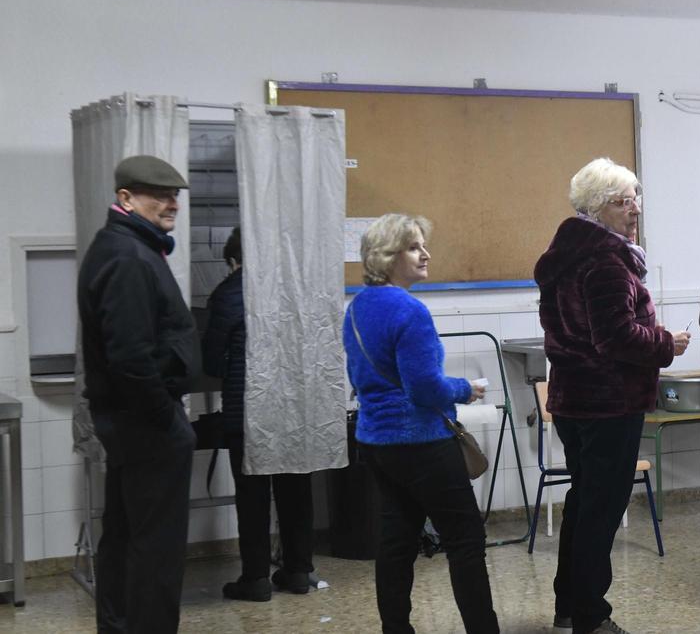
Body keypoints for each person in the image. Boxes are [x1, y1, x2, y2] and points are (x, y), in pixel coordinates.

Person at [535, 157, 689, 634]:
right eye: (624, 201)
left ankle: (568, 606)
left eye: (636, 199)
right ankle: (591, 616)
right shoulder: (605, 262)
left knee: (584, 502)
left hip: (573, 400)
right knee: (600, 512)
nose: (635, 209)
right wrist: (666, 343)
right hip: (608, 403)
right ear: (598, 208)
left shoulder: (566, 257)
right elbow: (616, 338)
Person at [342, 213, 497, 634]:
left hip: (376, 442)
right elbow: (426, 389)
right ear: (387, 256)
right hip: (421, 442)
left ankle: (396, 628)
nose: (425, 254)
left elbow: (360, 377)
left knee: (396, 539)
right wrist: (465, 388)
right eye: (413, 247)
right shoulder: (410, 311)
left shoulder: (356, 308)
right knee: (465, 541)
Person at [77, 155, 197, 633]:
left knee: (128, 538)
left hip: (133, 423)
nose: (172, 204)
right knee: (156, 548)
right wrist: (167, 419)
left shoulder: (127, 247)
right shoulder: (128, 255)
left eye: (175, 196)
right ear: (125, 198)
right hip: (146, 425)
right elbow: (129, 356)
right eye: (159, 195)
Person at [202, 227, 315, 601]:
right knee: (295, 489)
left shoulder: (228, 294)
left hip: (247, 410)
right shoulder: (293, 288)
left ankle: (255, 578)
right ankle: (298, 571)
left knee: (252, 496)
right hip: (293, 407)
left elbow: (210, 360)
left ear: (234, 260)